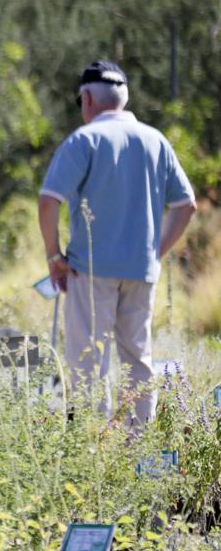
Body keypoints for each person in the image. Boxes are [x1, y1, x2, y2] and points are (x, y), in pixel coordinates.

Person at [39, 60, 196, 432]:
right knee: (137, 361)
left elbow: (48, 200)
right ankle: (137, 451)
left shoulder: (84, 140)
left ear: (89, 99)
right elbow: (186, 205)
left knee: (87, 363)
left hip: (89, 270)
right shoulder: (156, 140)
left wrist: (53, 255)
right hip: (140, 271)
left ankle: (92, 451)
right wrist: (154, 251)